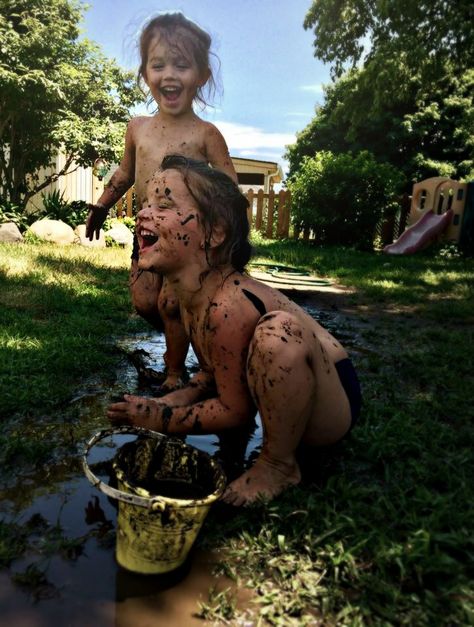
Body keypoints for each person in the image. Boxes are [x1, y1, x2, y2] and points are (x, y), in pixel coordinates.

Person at [107, 155, 362, 506]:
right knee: (263, 342)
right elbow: (215, 369)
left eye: (164, 204)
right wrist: (173, 398)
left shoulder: (228, 304)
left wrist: (165, 419)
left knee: (277, 334)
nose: (144, 213)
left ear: (213, 234)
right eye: (146, 203)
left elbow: (234, 410)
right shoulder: (183, 291)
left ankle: (278, 463)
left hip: (331, 396)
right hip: (304, 377)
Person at [86, 12, 237, 391]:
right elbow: (123, 173)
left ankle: (176, 373)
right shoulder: (138, 128)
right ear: (145, 73)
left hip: (188, 241)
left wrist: (221, 229)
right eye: (158, 65)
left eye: (182, 65)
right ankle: (193, 332)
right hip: (149, 237)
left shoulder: (206, 133)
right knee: (145, 302)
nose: (169, 74)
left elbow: (228, 182)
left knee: (171, 303)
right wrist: (102, 206)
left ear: (201, 75)